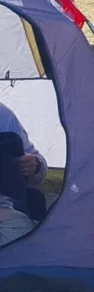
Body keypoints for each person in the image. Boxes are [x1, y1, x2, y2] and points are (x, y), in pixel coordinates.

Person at [0, 103, 47, 248]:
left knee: (24, 236)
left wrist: (35, 165)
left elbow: (40, 169)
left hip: (2, 210)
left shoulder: (4, 116)